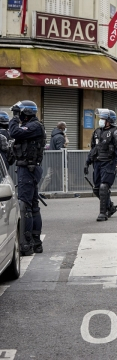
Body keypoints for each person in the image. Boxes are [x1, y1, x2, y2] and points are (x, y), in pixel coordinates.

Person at [9, 101, 46, 255]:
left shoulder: (34, 126)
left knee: (25, 206)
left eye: (20, 113)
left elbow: (14, 132)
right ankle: (36, 243)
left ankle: (27, 243)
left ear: (27, 113)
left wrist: (14, 118)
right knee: (32, 206)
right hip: (28, 167)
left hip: (28, 169)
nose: (19, 116)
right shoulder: (31, 126)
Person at [85, 109, 117, 222]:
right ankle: (110, 207)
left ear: (109, 121)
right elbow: (93, 149)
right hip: (97, 163)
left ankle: (103, 213)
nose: (100, 121)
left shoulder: (115, 133)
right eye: (100, 118)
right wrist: (87, 162)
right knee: (97, 189)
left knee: (103, 187)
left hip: (109, 163)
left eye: (103, 119)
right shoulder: (96, 132)